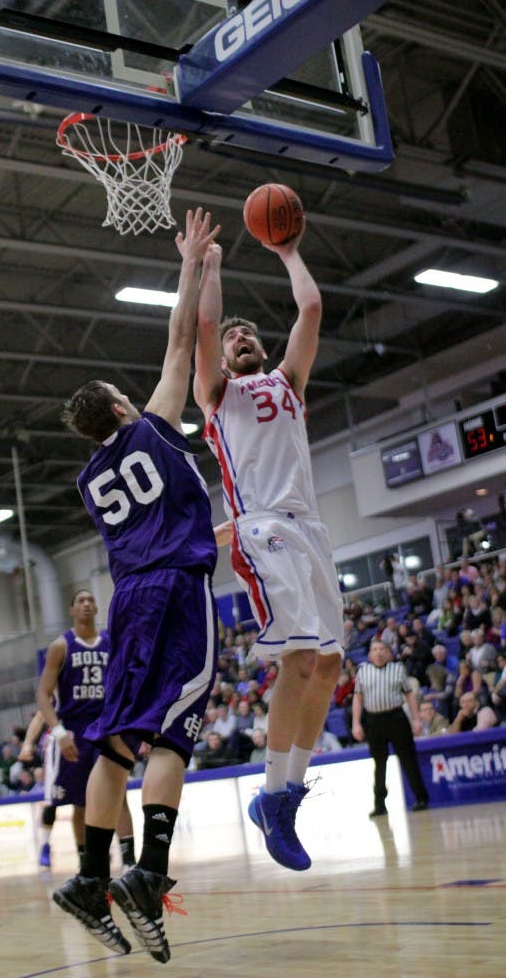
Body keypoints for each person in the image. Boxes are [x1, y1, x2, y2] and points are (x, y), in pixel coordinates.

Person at [52, 208, 221, 963]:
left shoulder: (90, 480)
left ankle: (89, 877)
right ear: (120, 407)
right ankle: (146, 872)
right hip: (176, 590)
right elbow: (180, 342)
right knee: (174, 731)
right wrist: (190, 263)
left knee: (112, 745)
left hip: (128, 604)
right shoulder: (151, 424)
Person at [193, 215, 343, 872]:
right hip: (261, 527)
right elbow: (201, 329)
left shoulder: (287, 384)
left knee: (330, 668)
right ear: (224, 361)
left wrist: (286, 250)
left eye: (249, 332)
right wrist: (212, 268)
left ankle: (280, 794)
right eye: (234, 338)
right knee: (300, 657)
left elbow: (309, 306)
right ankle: (273, 795)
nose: (241, 337)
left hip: (309, 530)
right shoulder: (217, 395)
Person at [32, 588, 135, 871]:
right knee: (80, 802)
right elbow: (43, 694)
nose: (87, 604)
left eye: (91, 600)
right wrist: (59, 732)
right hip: (76, 732)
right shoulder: (61, 646)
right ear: (72, 610)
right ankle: (87, 864)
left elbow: (126, 685)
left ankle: (129, 861)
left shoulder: (111, 643)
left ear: (97, 609)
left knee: (119, 794)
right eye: (81, 601)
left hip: (107, 728)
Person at [351, 639, 429, 817]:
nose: (378, 652)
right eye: (375, 649)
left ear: (388, 652)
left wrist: (416, 719)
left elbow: (409, 695)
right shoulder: (363, 671)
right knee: (379, 763)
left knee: (408, 759)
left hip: (396, 718)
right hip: (374, 720)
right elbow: (358, 698)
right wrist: (356, 723)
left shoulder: (398, 669)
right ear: (370, 654)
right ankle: (379, 804)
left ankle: (421, 797)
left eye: (382, 649)